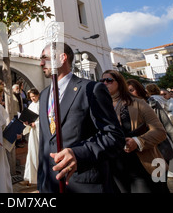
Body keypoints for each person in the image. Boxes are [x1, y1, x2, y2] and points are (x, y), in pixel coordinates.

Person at [38, 42, 125, 193]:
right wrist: (42, 181)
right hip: (51, 185)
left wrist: (78, 154)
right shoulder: (44, 95)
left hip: (84, 183)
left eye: (44, 58)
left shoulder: (91, 89)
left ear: (62, 57)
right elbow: (45, 142)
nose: (41, 63)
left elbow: (113, 136)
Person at [101, 71, 167, 193]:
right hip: (115, 166)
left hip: (142, 164)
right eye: (102, 81)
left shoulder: (138, 103)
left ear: (119, 82)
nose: (105, 83)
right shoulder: (100, 106)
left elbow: (160, 131)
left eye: (109, 80)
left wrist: (138, 142)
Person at [128, 80, 173, 180]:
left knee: (160, 181)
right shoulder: (125, 108)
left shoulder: (152, 103)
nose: (129, 93)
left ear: (139, 90)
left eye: (132, 90)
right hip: (141, 153)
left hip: (160, 150)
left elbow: (168, 127)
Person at [22, 88, 40, 186]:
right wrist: (27, 123)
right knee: (32, 152)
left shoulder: (41, 104)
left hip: (40, 132)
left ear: (38, 95)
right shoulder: (31, 105)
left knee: (38, 152)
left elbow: (46, 118)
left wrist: (35, 123)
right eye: (31, 97)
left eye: (34, 96)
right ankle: (31, 176)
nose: (32, 98)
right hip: (33, 133)